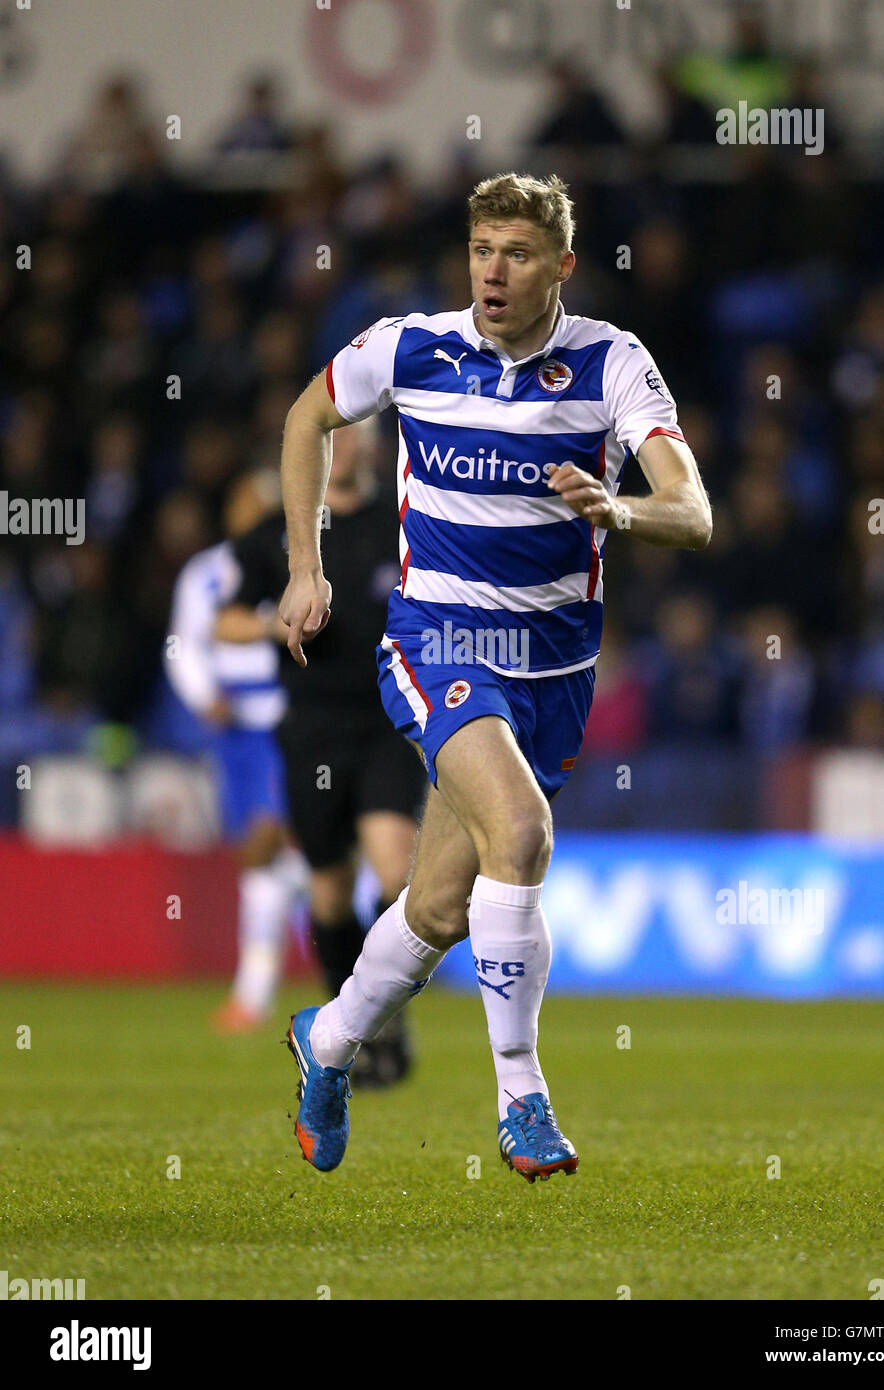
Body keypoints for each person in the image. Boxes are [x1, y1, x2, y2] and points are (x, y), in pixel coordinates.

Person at [278, 172, 712, 1181]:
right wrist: (306, 566)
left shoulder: (611, 363)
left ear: (560, 265)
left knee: (436, 904)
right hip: (437, 641)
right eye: (481, 251)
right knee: (519, 831)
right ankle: (521, 1094)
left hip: (552, 669)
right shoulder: (410, 347)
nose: (492, 272)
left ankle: (327, 1041)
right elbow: (307, 419)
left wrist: (617, 508)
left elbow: (690, 513)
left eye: (516, 254)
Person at [215, 419, 427, 1085]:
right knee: (330, 890)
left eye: (356, 433)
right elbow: (223, 619)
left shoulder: (401, 521)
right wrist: (273, 622)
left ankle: (386, 1016)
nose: (345, 445)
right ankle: (353, 1029)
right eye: (333, 434)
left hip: (388, 719)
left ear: (370, 444)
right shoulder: (282, 533)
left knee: (397, 875)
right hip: (311, 727)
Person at [164, 469, 309, 1032]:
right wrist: (204, 698)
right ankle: (257, 989)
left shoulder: (301, 564)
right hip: (236, 730)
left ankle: (254, 993)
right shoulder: (205, 574)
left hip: (288, 718)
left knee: (268, 840)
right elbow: (182, 644)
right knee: (260, 855)